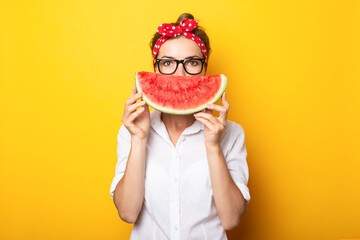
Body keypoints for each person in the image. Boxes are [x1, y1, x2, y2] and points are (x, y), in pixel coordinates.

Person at [110, 13, 250, 240]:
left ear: (205, 68)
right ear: (155, 69)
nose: (180, 75)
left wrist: (213, 145)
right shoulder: (132, 130)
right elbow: (127, 212)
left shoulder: (232, 133)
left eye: (192, 63)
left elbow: (231, 219)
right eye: (168, 63)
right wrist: (139, 139)